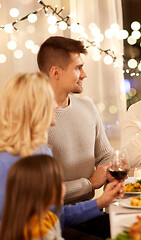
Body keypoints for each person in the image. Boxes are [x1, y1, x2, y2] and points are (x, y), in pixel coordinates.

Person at [0, 72, 123, 239]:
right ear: (36, 107)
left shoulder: (42, 150)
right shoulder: (5, 162)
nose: (57, 106)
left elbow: (55, 215)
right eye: (51, 99)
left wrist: (102, 201)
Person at [37, 36, 113, 205]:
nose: (84, 75)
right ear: (55, 72)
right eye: (78, 68)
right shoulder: (33, 117)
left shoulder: (87, 105)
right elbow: (39, 191)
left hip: (91, 208)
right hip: (53, 219)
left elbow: (106, 155)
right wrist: (90, 184)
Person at [0, 155, 64, 240]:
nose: (63, 187)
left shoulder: (51, 217)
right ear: (43, 191)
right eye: (60, 182)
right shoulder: (38, 231)